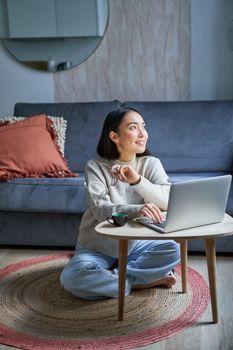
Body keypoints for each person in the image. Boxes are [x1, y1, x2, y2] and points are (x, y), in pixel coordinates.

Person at [60, 106, 180, 300]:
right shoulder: (95, 166)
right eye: (134, 127)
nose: (143, 134)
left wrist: (137, 181)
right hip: (97, 248)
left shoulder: (151, 164)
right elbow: (101, 210)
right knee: (71, 278)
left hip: (136, 245)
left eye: (143, 126)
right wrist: (138, 210)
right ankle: (138, 279)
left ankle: (120, 281)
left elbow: (167, 201)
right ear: (114, 136)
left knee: (172, 248)